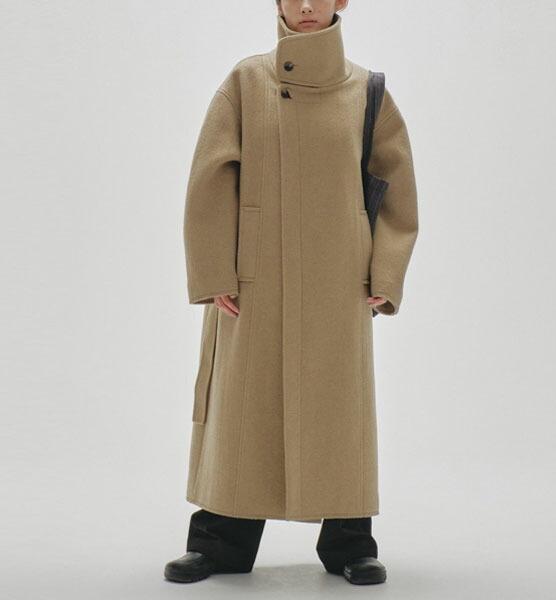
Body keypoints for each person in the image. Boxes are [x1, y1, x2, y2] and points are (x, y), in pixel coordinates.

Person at [165, 0, 418, 586]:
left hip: (339, 282)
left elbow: (397, 186)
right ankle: (220, 543)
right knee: (240, 408)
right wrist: (214, 273)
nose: (306, 6)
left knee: (339, 411)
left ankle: (350, 542)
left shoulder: (368, 93)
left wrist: (384, 276)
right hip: (252, 281)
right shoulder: (245, 82)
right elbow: (209, 180)